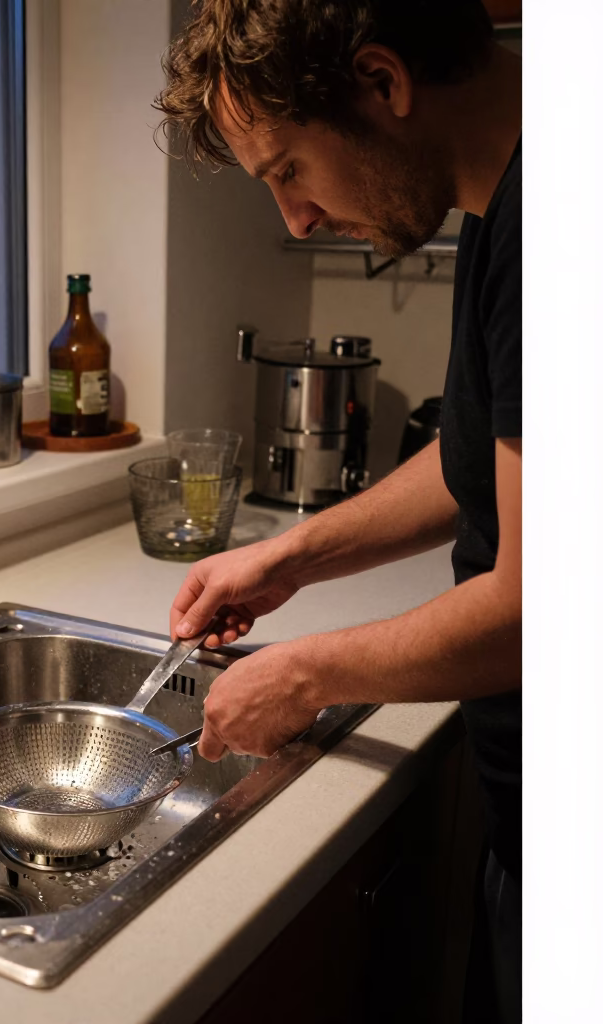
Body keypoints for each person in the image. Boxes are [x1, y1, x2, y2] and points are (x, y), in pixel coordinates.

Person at [154, 2, 521, 1021]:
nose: (296, 219)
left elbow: (541, 606)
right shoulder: (501, 203)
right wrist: (290, 556)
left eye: (288, 170)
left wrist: (303, 673)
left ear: (383, 82)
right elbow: (483, 460)